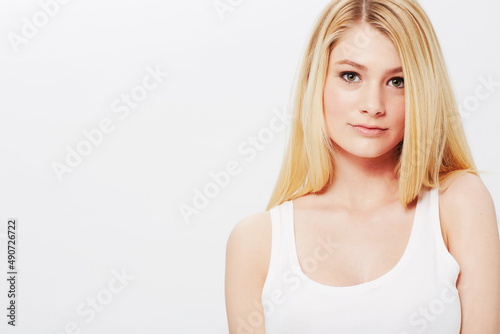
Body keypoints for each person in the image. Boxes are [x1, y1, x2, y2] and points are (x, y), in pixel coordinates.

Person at [224, 0, 500, 333]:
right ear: (317, 81)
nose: (373, 106)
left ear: (423, 90)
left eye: (398, 82)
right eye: (351, 76)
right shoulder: (257, 241)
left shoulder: (457, 204)